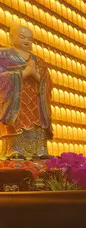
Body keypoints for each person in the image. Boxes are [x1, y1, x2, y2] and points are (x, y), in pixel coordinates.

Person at [0, 25, 53, 158]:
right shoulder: (3, 55)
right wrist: (24, 73)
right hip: (15, 100)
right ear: (11, 37)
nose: (27, 41)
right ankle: (14, 149)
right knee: (15, 121)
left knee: (38, 124)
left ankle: (39, 150)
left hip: (36, 99)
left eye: (30, 38)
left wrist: (35, 75)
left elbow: (47, 82)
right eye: (22, 37)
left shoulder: (38, 60)